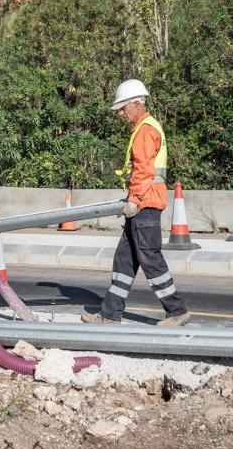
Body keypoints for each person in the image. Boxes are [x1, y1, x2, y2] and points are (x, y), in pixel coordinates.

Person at [82, 80, 191, 327]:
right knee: (124, 259)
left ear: (137, 103)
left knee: (149, 258)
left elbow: (143, 170)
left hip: (145, 204)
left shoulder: (145, 130)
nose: (121, 113)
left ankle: (176, 310)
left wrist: (132, 200)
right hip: (142, 203)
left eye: (123, 108)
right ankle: (110, 314)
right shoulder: (142, 128)